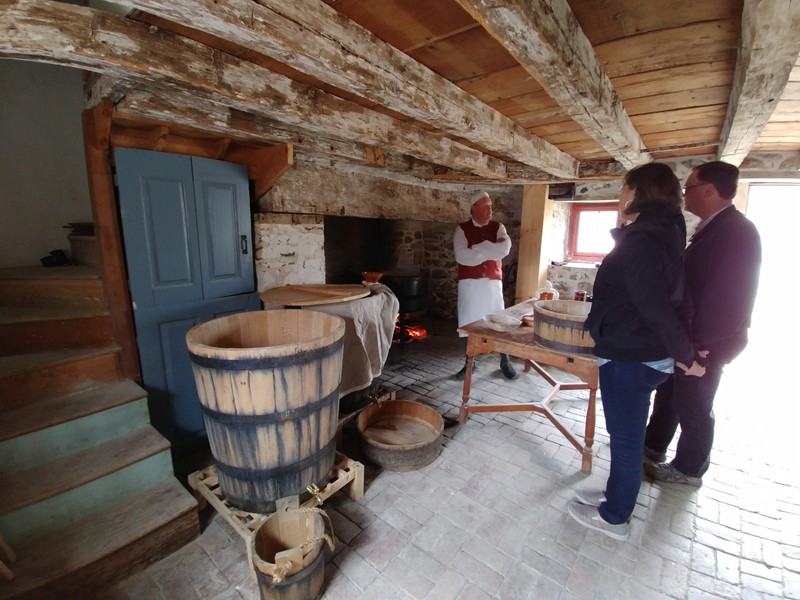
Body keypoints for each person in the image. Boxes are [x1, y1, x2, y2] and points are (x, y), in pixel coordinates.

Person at [568, 162, 706, 541]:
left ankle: (615, 518)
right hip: (641, 350)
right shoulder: (661, 234)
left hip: (632, 355)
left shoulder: (644, 241)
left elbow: (656, 307)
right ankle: (616, 493)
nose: (620, 194)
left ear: (639, 193)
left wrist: (687, 355)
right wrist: (683, 349)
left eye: (624, 187)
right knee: (626, 435)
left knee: (626, 439)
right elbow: (678, 298)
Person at [644, 161, 762, 487]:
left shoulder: (737, 232)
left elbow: (730, 298)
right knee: (669, 393)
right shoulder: (715, 227)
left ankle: (689, 469)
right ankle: (653, 444)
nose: (684, 194)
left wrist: (701, 344)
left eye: (689, 188)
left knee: (694, 403)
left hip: (708, 341)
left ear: (708, 190)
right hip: (689, 336)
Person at [453, 191, 518, 380]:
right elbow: (462, 257)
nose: (491, 209)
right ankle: (469, 363)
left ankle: (505, 360)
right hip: (469, 286)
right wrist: (489, 249)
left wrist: (477, 247)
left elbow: (503, 250)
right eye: (486, 205)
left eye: (491, 205)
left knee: (498, 321)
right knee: (468, 324)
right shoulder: (462, 229)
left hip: (491, 285)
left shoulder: (499, 227)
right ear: (474, 207)